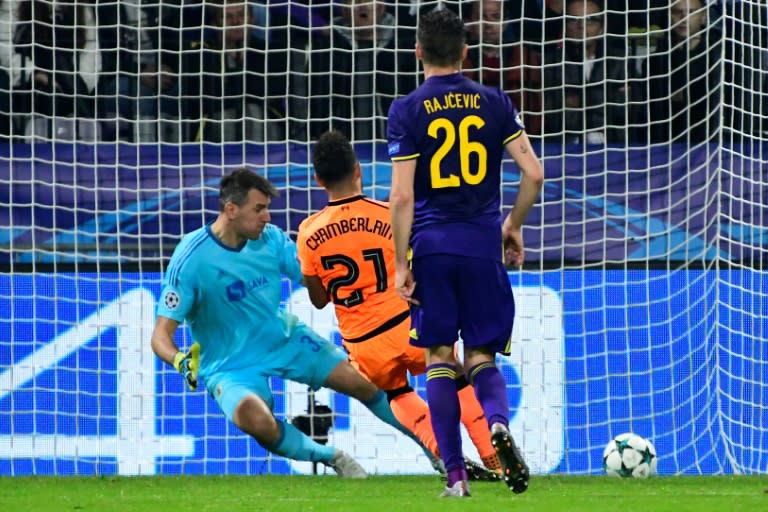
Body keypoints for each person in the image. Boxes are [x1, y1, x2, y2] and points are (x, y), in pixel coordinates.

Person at [151, 168, 431, 478]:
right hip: (229, 365)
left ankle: (438, 452)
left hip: (284, 339)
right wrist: (179, 359)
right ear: (231, 210)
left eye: (267, 208)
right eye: (259, 209)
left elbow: (317, 281)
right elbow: (160, 336)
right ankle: (333, 457)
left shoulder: (271, 240)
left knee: (366, 383)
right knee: (256, 421)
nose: (267, 217)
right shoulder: (191, 259)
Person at [387, 9, 544, 497]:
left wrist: (399, 261)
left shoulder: (407, 109)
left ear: (417, 52)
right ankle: (497, 423)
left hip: (432, 249)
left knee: (438, 356)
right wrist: (511, 225)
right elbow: (534, 174)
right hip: (482, 247)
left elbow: (402, 197)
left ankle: (456, 478)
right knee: (481, 355)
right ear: (465, 54)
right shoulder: (495, 103)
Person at [296, 129, 503, 481]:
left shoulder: (308, 232)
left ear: (318, 180)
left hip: (364, 344)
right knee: (454, 377)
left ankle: (441, 450)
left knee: (396, 393)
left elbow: (318, 300)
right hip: (406, 324)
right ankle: (493, 454)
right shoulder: (386, 215)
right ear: (358, 169)